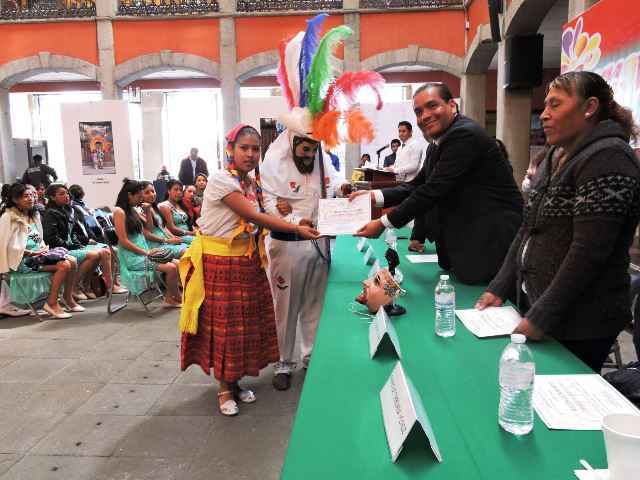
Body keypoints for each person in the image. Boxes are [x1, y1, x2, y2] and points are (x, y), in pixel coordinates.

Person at [476, 71, 640, 372]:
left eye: (555, 105)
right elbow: (527, 229)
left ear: (589, 107)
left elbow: (588, 252)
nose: (544, 114)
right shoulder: (555, 154)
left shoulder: (609, 156)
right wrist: (499, 286)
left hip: (581, 322)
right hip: (542, 308)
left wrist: (542, 316)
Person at [179, 124, 319, 416]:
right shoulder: (222, 180)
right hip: (220, 264)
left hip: (245, 261)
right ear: (230, 149)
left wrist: (297, 220)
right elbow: (255, 216)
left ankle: (235, 381)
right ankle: (224, 389)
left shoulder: (250, 183)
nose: (251, 154)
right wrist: (295, 228)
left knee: (243, 327)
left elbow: (267, 211)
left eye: (256, 149)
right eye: (244, 148)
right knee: (226, 329)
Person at [354, 82, 523, 285]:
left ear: (452, 105)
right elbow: (416, 185)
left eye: (432, 106)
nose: (424, 116)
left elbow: (432, 190)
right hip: (461, 247)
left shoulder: (464, 134)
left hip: (491, 243)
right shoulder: (436, 144)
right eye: (418, 112)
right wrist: (374, 196)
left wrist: (383, 223)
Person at [0, 183, 80, 319]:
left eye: (31, 195)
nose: (30, 198)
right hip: (21, 261)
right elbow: (5, 246)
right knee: (64, 265)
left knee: (72, 260)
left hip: (37, 257)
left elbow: (36, 238)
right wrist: (32, 253)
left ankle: (68, 298)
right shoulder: (8, 217)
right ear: (15, 199)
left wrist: (43, 248)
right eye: (25, 196)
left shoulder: (32, 215)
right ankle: (52, 303)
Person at [42, 184, 124, 300]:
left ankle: (90, 285)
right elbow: (52, 238)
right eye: (62, 194)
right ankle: (74, 287)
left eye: (67, 193)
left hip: (71, 245)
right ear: (52, 197)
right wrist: (75, 245)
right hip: (59, 249)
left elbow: (73, 233)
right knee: (94, 255)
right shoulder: (50, 213)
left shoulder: (67, 210)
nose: (66, 196)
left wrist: (78, 243)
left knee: (106, 250)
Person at [113, 179, 182, 306]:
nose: (141, 200)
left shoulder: (133, 210)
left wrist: (148, 211)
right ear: (129, 195)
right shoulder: (119, 211)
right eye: (139, 197)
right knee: (171, 268)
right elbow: (124, 241)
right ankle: (177, 297)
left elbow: (149, 229)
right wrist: (146, 252)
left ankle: (170, 297)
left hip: (142, 251)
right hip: (132, 257)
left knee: (177, 263)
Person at [138, 181, 188, 259]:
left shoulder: (154, 208)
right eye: (147, 192)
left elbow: (163, 227)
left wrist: (173, 237)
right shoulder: (140, 210)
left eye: (153, 191)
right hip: (155, 244)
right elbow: (147, 234)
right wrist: (167, 240)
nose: (151, 194)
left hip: (165, 241)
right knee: (188, 252)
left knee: (192, 247)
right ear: (140, 195)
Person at [158, 180, 196, 244]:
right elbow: (171, 228)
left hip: (188, 234)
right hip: (177, 237)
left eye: (180, 190)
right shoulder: (164, 206)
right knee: (200, 241)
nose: (179, 192)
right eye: (175, 189)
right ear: (169, 191)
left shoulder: (180, 204)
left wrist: (195, 230)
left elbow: (187, 223)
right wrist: (191, 233)